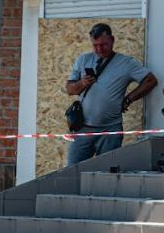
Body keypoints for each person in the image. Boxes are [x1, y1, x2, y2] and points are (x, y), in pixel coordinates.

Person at [65, 23, 157, 166]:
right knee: (72, 171)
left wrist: (129, 99)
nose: (99, 49)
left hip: (110, 129)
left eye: (103, 44)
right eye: (95, 45)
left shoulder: (127, 63)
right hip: (81, 128)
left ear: (113, 40)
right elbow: (70, 89)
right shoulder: (83, 59)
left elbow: (150, 81)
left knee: (107, 173)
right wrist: (82, 83)